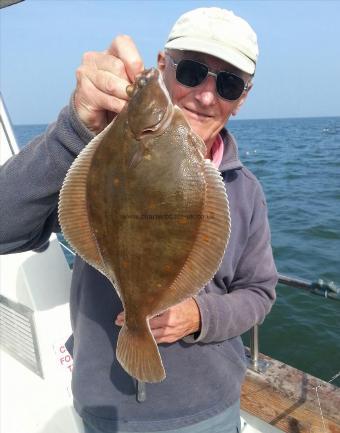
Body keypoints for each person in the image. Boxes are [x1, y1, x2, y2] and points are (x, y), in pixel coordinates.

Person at [0, 7, 277, 433]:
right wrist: (76, 128)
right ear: (163, 66)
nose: (205, 95)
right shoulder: (98, 155)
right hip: (105, 409)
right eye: (191, 71)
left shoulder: (247, 190)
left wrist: (201, 316)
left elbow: (259, 292)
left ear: (241, 99)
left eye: (227, 83)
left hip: (210, 409)